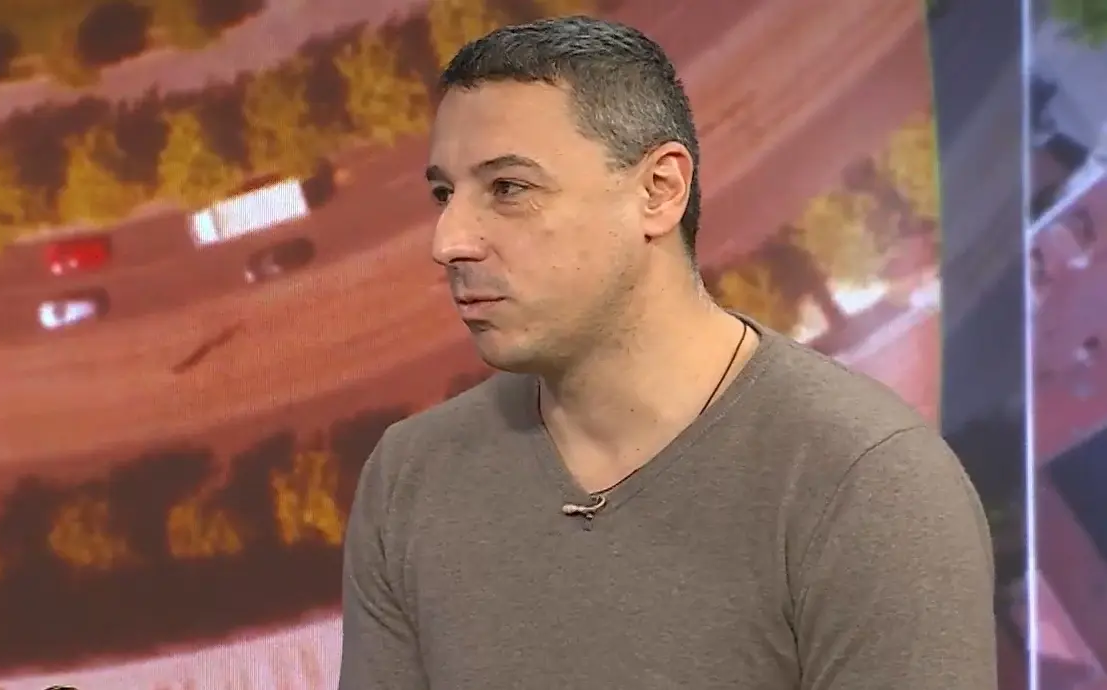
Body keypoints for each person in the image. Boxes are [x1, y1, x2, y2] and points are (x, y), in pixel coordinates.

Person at [339, 16, 996, 690]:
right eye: (444, 194)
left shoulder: (866, 484)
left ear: (659, 190)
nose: (448, 241)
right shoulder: (409, 476)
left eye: (508, 189)